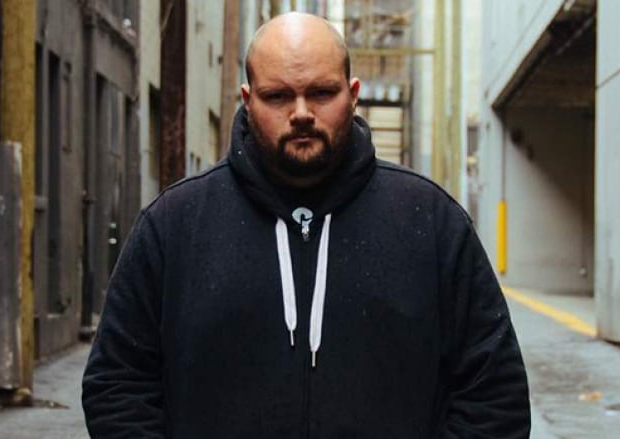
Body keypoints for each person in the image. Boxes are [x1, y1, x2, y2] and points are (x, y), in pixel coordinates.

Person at [82, 12, 530, 438]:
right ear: (248, 100)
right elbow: (117, 383)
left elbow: (494, 392)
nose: (300, 112)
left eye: (321, 93)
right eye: (277, 96)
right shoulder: (175, 224)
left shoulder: (430, 221)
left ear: (353, 94)